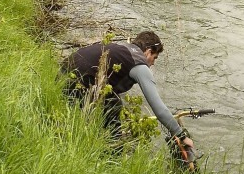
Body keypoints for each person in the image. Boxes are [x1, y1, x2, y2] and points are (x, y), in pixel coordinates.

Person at [61, 30, 196, 163]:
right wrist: (181, 136)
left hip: (61, 78)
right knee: (114, 108)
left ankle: (89, 143)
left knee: (113, 101)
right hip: (76, 84)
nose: (153, 63)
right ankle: (112, 162)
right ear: (148, 51)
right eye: (154, 58)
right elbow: (159, 109)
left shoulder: (122, 48)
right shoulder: (139, 63)